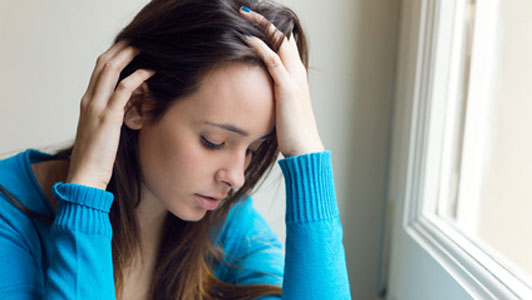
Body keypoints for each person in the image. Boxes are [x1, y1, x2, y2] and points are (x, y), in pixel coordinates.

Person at [0, 0, 351, 299]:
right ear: (137, 105)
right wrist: (85, 193)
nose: (236, 177)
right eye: (214, 142)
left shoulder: (227, 227)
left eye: (254, 150)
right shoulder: (10, 221)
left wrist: (307, 154)